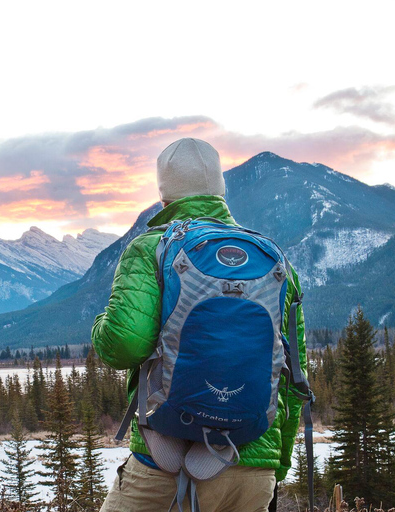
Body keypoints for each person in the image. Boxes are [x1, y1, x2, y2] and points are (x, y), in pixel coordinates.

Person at [92, 138, 307, 512]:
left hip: (163, 460)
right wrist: (277, 465)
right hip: (252, 464)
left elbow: (123, 344)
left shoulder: (151, 248)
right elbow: (294, 376)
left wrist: (99, 326)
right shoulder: (275, 260)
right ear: (221, 191)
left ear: (164, 196)